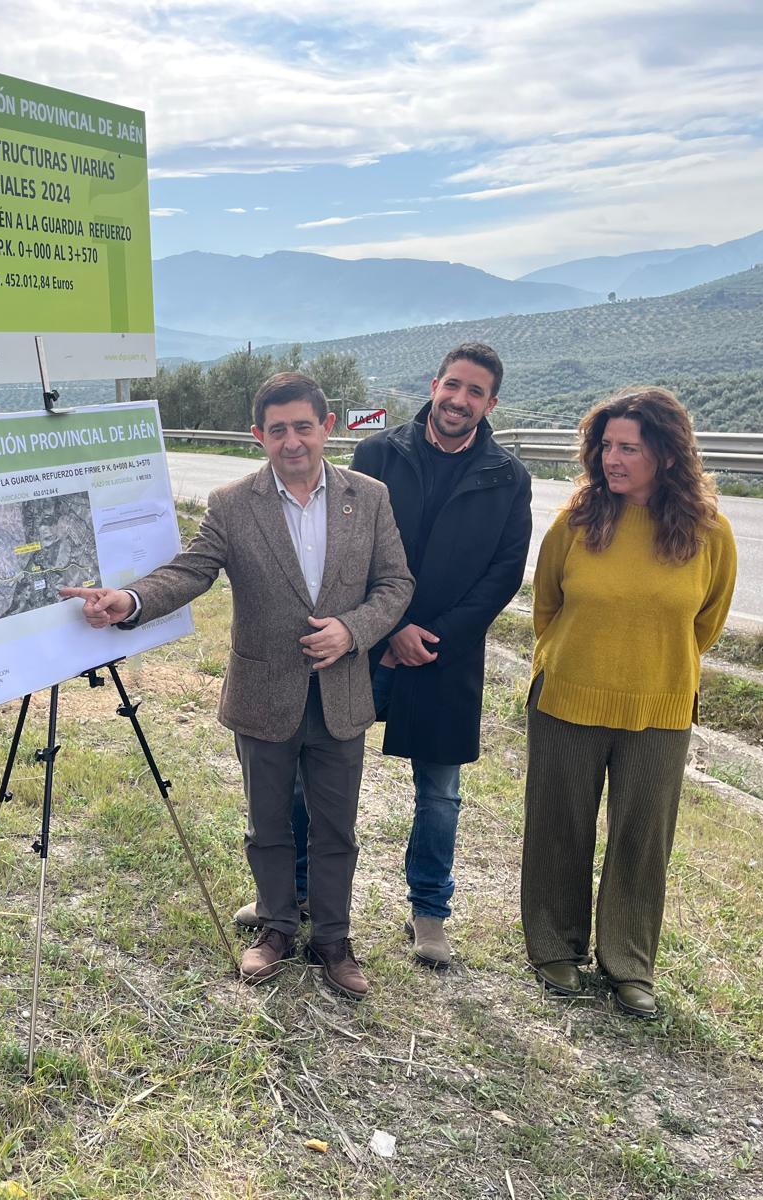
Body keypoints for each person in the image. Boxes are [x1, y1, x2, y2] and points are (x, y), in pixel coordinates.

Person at [62, 372, 411, 1001]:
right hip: (263, 693)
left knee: (337, 829)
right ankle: (277, 927)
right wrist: (130, 599)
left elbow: (395, 586)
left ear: (326, 427)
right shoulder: (231, 503)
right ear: (258, 437)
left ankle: (333, 938)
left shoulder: (372, 497)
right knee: (267, 824)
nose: (293, 441)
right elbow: (190, 572)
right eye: (277, 430)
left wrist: (352, 631)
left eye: (304, 426)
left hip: (341, 695)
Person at [228, 345, 531, 968]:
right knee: (310, 777)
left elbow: (504, 573)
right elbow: (361, 562)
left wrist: (432, 632)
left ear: (491, 403)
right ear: (434, 383)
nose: (459, 400)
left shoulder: (507, 475)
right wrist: (384, 629)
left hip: (444, 653)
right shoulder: (378, 455)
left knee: (439, 789)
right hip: (361, 648)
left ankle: (428, 912)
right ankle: (293, 899)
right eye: (453, 385)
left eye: (476, 392)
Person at [521, 387, 737, 1019]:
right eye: (605, 445)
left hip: (661, 707)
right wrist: (583, 659)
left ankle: (630, 964)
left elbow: (706, 621)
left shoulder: (709, 533)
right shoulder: (577, 522)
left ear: (666, 455)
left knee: (642, 839)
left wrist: (650, 667)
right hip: (568, 697)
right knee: (559, 825)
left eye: (628, 448)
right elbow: (547, 607)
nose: (611, 459)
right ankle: (555, 948)